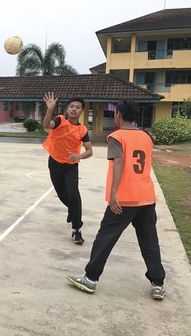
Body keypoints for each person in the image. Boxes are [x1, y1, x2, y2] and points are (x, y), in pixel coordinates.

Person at [67, 100, 166, 300]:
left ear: (118, 115)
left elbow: (119, 162)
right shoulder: (146, 137)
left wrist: (114, 193)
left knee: (105, 238)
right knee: (149, 240)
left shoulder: (116, 137)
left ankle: (90, 278)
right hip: (146, 197)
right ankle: (158, 284)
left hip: (124, 199)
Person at [42, 92, 93, 244]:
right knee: (63, 195)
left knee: (74, 195)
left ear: (81, 111)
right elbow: (46, 126)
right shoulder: (60, 120)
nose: (74, 109)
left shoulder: (82, 130)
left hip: (71, 165)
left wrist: (79, 157)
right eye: (72, 106)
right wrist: (50, 109)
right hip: (55, 163)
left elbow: (90, 151)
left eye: (77, 107)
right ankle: (74, 212)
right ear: (68, 108)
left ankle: (76, 228)